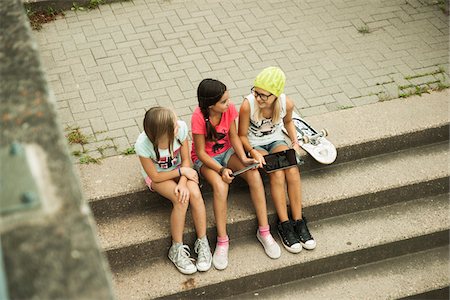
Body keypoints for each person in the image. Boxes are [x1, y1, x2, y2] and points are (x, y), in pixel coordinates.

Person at [191, 78, 281, 270]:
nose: (228, 103)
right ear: (210, 105)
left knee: (254, 175)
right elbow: (200, 152)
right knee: (220, 185)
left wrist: (244, 157)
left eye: (227, 99)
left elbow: (233, 136)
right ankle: (222, 241)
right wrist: (221, 170)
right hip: (207, 159)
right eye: (223, 101)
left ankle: (264, 231)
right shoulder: (198, 117)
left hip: (228, 153)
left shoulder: (229, 109)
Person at [238, 66, 316, 254]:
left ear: (276, 95)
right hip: (255, 145)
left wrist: (295, 143)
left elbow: (288, 122)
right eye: (256, 92)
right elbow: (241, 135)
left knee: (292, 169)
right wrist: (252, 152)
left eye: (264, 95)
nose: (258, 98)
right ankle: (284, 224)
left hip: (275, 141)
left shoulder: (286, 104)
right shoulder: (247, 105)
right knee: (277, 173)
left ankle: (299, 221)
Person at [135, 106, 212, 275]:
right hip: (159, 176)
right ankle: (176, 249)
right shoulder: (143, 145)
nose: (179, 125)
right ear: (163, 133)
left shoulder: (181, 129)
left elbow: (186, 161)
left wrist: (183, 180)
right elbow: (155, 176)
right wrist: (180, 173)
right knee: (180, 199)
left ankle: (202, 241)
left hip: (181, 170)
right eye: (174, 125)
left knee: (195, 194)